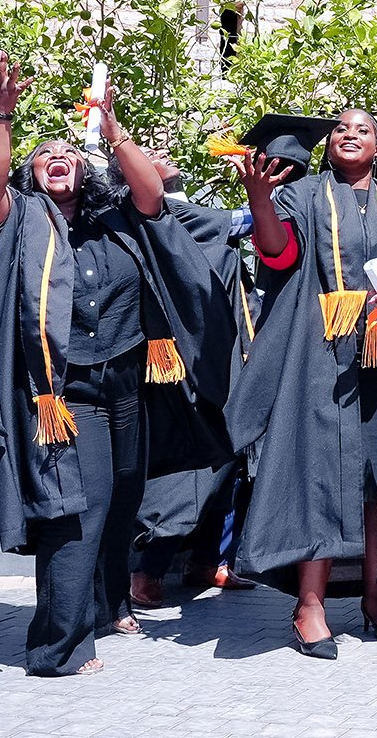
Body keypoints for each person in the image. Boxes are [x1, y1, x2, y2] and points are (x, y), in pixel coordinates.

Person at [0, 53, 232, 676]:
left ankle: (106, 604)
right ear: (32, 170)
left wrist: (110, 127)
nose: (57, 158)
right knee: (78, 506)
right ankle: (57, 646)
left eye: (67, 153)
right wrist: (1, 113)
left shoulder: (116, 222)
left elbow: (153, 195)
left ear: (85, 171)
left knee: (126, 492)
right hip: (63, 394)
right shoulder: (16, 224)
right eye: (44, 153)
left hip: (129, 384)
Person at [228, 109, 377, 658]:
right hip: (323, 357)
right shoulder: (303, 196)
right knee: (319, 475)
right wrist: (260, 198)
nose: (350, 135)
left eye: (364, 130)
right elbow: (277, 253)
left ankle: (376, 596)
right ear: (328, 146)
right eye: (341, 130)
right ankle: (310, 604)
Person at [127, 147, 265, 607]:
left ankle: (208, 561)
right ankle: (145, 570)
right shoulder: (157, 213)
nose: (163, 151)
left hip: (221, 355)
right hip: (177, 364)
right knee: (190, 471)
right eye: (150, 151)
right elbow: (244, 220)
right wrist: (274, 187)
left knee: (231, 458)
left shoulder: (179, 207)